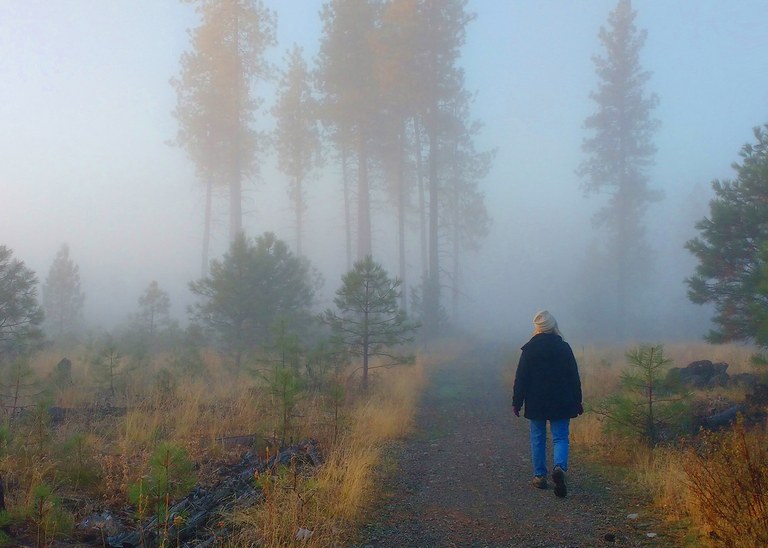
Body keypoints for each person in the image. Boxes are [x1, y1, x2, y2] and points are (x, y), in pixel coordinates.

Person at [512, 310, 583, 498]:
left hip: (537, 401)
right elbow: (574, 377)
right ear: (554, 326)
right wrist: (578, 401)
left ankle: (539, 476)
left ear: (537, 328)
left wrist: (516, 402)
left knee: (538, 438)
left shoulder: (529, 349)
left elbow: (521, 378)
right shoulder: (564, 348)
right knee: (560, 437)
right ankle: (559, 467)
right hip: (562, 400)